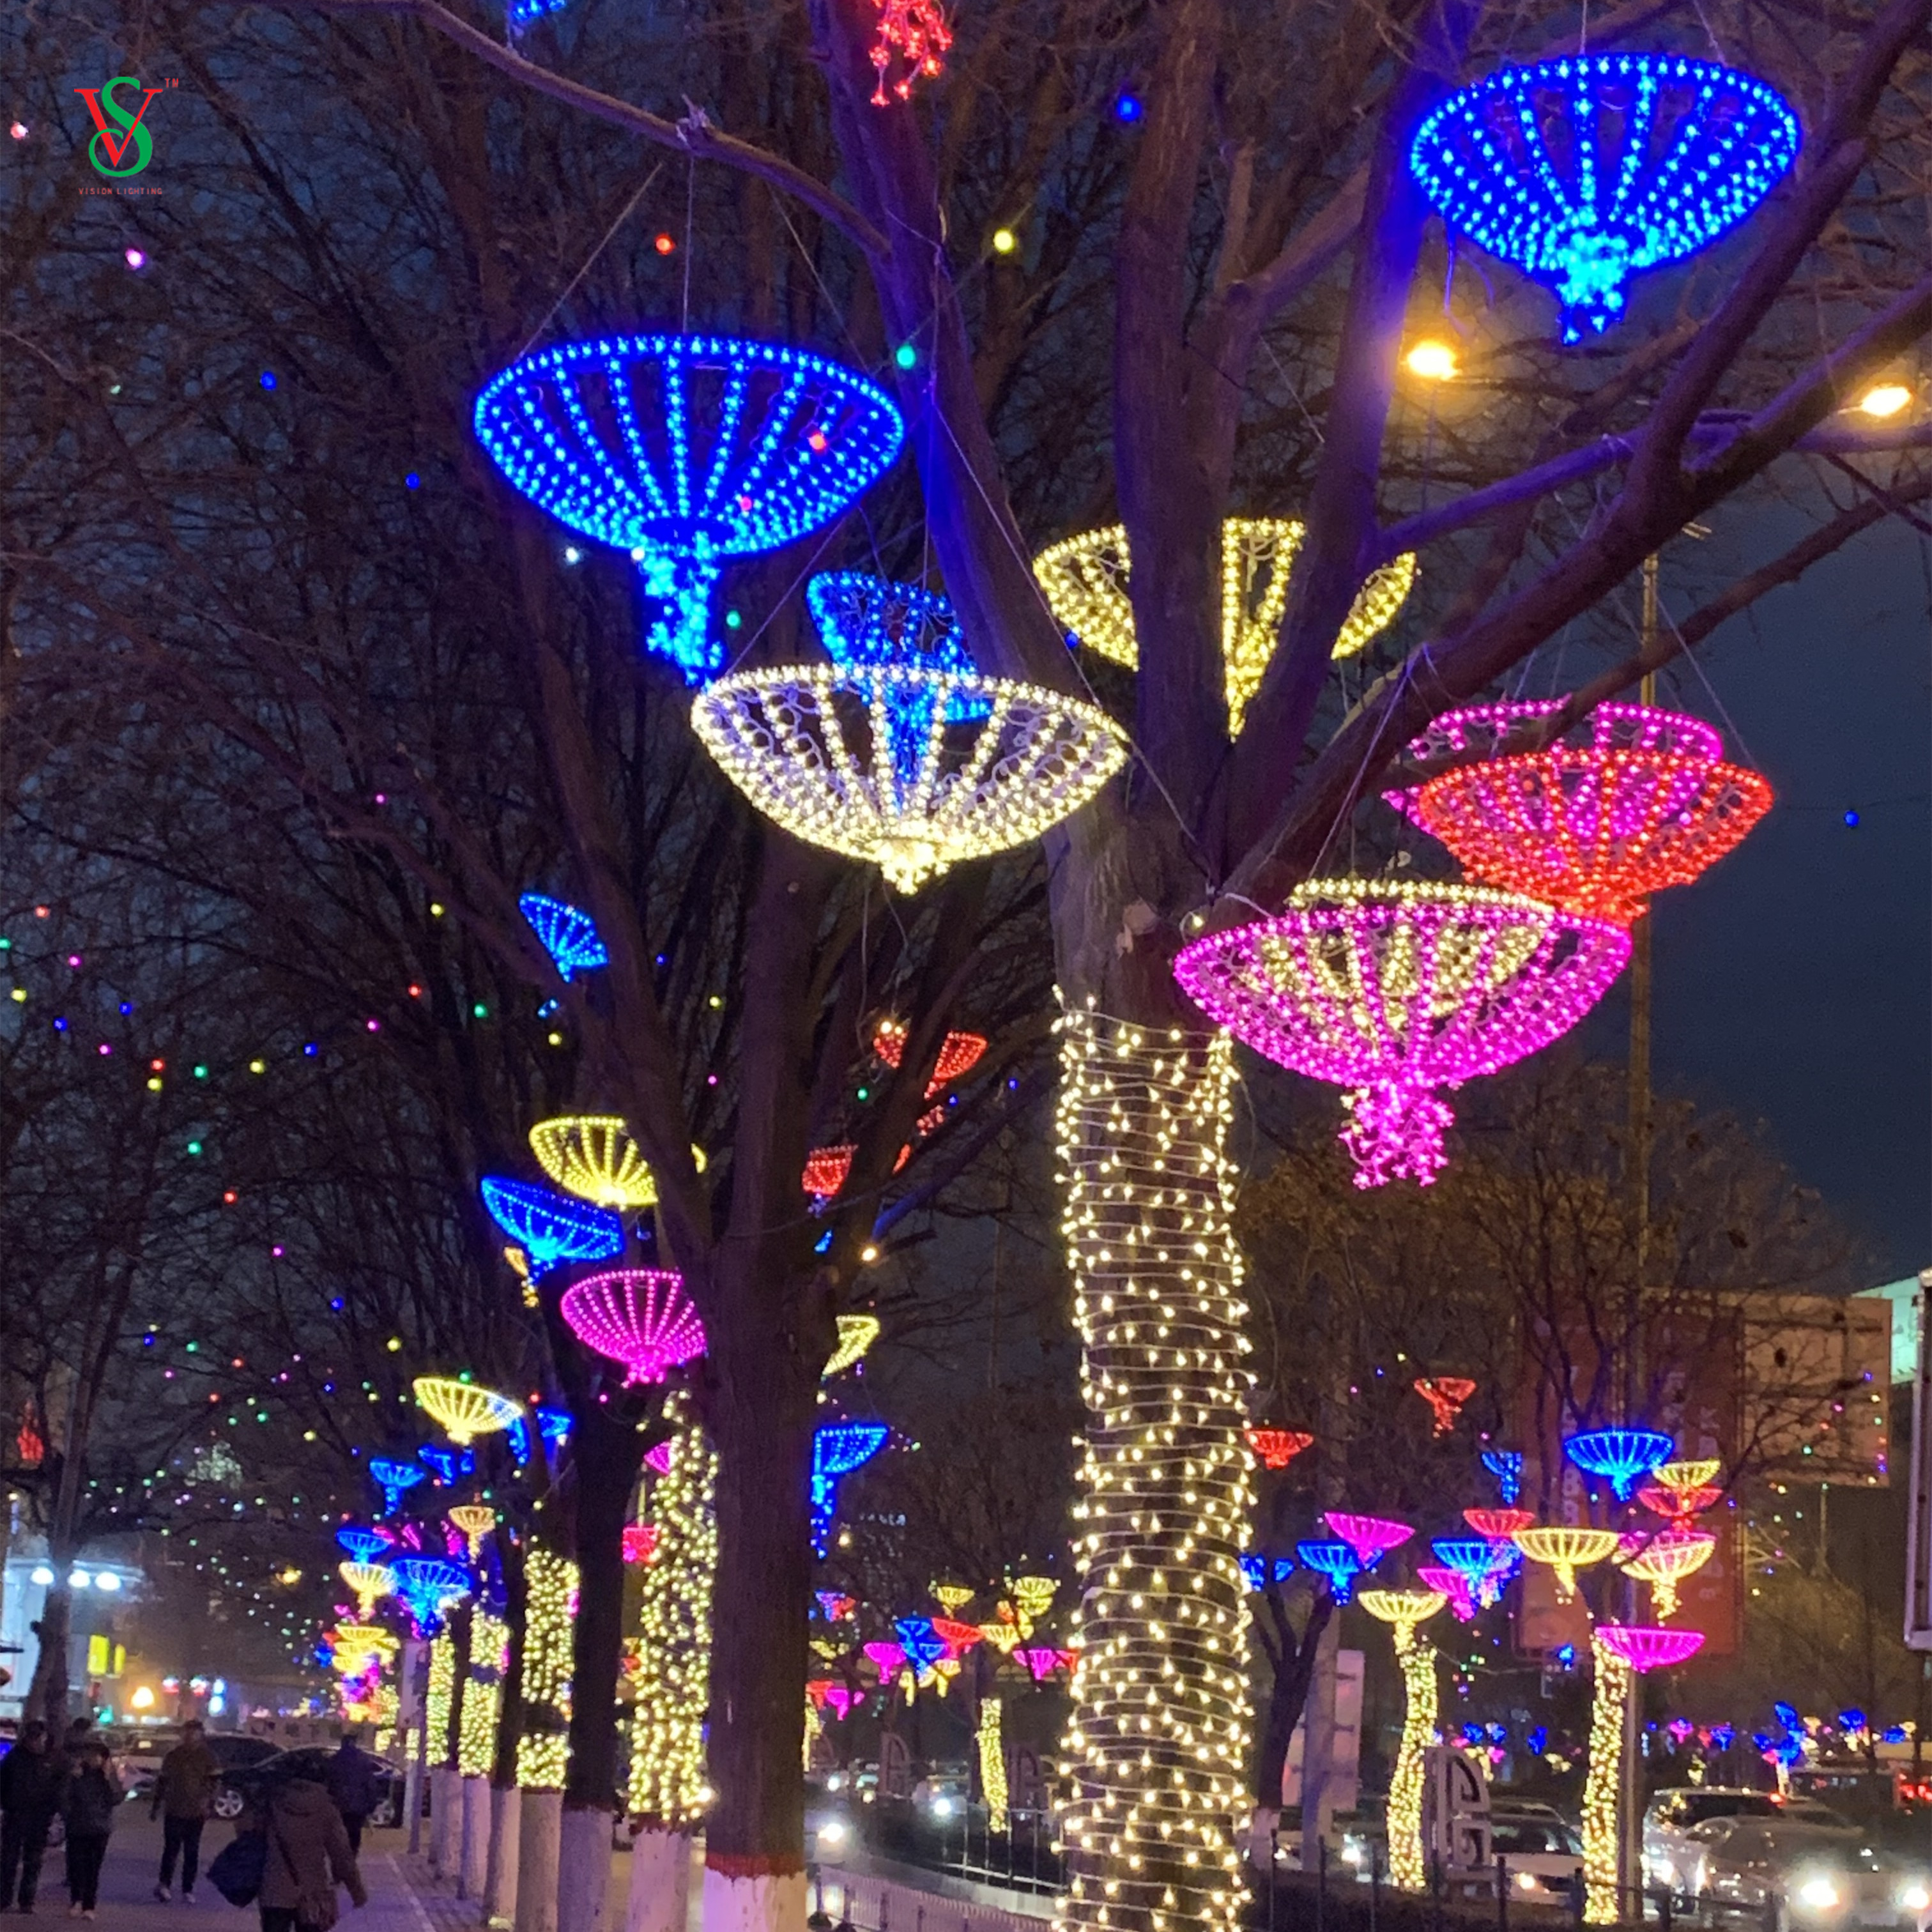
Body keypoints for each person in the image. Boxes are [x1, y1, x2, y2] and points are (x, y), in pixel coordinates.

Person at [257, 1774, 364, 1932]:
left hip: (274, 1890)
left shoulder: (272, 1804)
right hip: (313, 1893)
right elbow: (342, 1855)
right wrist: (356, 1890)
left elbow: (247, 1832)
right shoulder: (326, 1809)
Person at [151, 1720, 220, 1903]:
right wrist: (156, 1806)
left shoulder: (208, 1756)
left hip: (196, 1811)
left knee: (192, 1850)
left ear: (200, 1734)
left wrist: (209, 1804)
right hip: (174, 1808)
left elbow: (216, 1782)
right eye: (187, 1732)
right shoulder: (173, 1756)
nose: (190, 1735)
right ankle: (164, 1884)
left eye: (194, 1732)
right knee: (171, 1849)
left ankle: (187, 1888)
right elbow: (163, 1781)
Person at [0, 1721, 63, 1913]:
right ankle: (4, 1899)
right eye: (32, 1737)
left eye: (38, 1737)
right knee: (9, 1860)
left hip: (39, 1818)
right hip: (15, 1815)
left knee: (33, 1861)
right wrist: (7, 1806)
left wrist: (52, 1810)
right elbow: (3, 1783)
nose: (35, 1742)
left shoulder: (50, 1760)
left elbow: (57, 1788)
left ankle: (26, 1901)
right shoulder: (15, 1758)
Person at [59, 1743, 117, 1920]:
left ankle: (89, 1905)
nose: (92, 1758)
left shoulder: (108, 1777)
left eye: (97, 1755)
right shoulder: (77, 1775)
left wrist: (109, 1779)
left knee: (93, 1869)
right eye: (89, 1754)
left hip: (100, 1829)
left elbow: (116, 1798)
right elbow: (64, 1796)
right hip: (78, 1826)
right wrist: (69, 1816)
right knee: (76, 1866)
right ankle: (76, 1900)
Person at [320, 1736, 381, 1856]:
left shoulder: (334, 1761)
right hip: (358, 1805)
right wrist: (371, 1805)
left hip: (339, 1804)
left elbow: (328, 1784)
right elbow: (370, 1785)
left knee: (339, 1832)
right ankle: (352, 1856)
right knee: (354, 1832)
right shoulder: (363, 1761)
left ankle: (341, 1856)